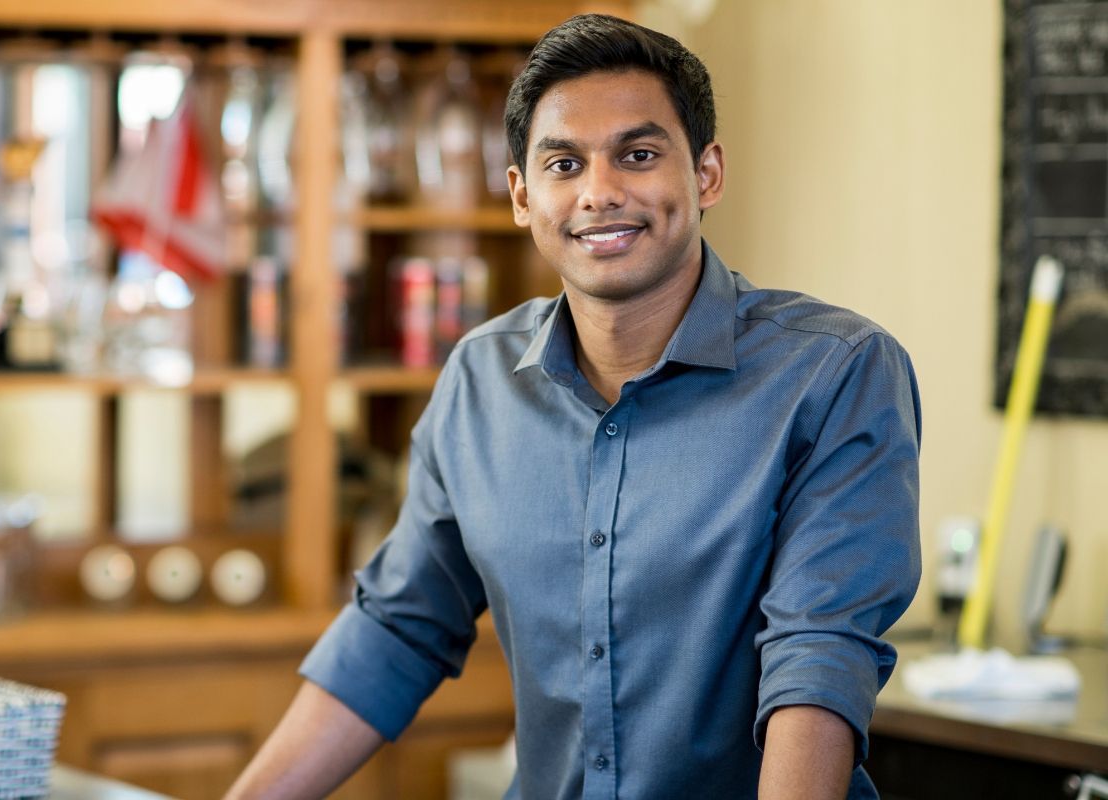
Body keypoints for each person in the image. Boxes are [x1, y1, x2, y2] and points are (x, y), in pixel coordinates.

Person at [226, 13, 920, 800]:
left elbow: (817, 663)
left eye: (639, 154)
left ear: (707, 174)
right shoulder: (481, 381)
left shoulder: (835, 374)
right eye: (564, 163)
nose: (600, 192)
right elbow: (397, 628)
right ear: (522, 195)